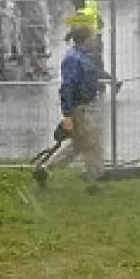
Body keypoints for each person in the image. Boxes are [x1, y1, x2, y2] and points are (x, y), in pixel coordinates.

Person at [34, 25, 104, 191]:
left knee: (79, 144)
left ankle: (44, 170)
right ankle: (93, 181)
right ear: (85, 39)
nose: (94, 40)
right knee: (92, 144)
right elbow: (67, 87)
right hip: (76, 108)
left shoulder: (81, 56)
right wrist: (67, 115)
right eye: (92, 37)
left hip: (81, 106)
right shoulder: (73, 59)